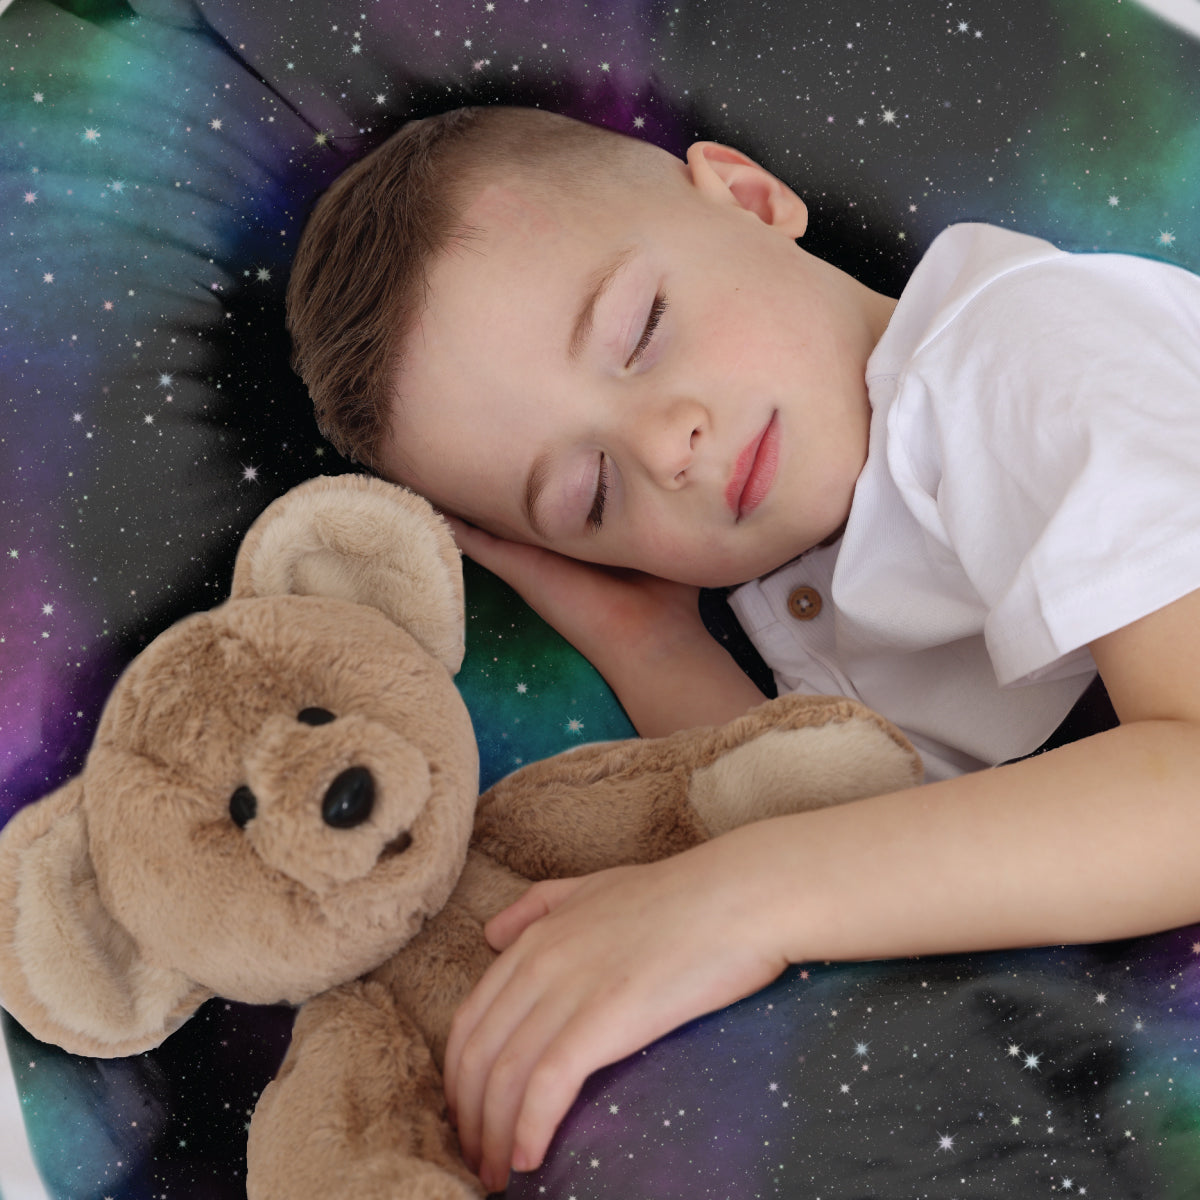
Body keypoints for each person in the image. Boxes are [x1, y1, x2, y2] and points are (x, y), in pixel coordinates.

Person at [286, 105, 1200, 1193]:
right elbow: (909, 859)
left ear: (753, 199)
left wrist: (737, 899)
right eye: (589, 494)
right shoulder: (817, 581)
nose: (662, 445)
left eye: (641, 330)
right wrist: (646, 641)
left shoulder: (1028, 347)